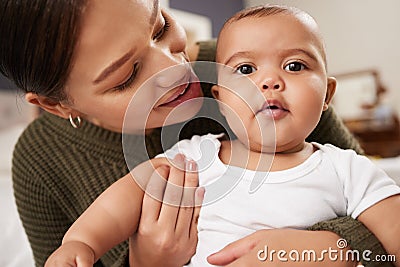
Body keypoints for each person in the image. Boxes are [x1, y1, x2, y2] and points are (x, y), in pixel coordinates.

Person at [0, 0, 391, 266]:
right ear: (58, 105)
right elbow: (116, 205)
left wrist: (333, 249)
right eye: (128, 75)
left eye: (160, 27)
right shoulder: (42, 163)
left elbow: (376, 216)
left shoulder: (253, 63)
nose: (176, 68)